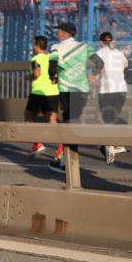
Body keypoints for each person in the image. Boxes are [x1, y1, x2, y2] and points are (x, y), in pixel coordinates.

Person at [48, 22, 104, 173]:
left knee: (69, 126)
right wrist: (92, 75)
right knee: (76, 123)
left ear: (65, 33)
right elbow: (99, 63)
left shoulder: (55, 47)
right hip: (82, 90)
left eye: (58, 31)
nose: (56, 33)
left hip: (66, 90)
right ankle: (103, 144)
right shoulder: (85, 47)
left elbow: (52, 67)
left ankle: (66, 163)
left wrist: (52, 77)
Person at [95, 31, 129, 164]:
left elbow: (97, 69)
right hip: (121, 90)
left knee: (107, 119)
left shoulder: (98, 54)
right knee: (113, 117)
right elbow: (126, 65)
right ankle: (118, 144)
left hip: (107, 91)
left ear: (101, 42)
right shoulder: (119, 53)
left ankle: (109, 148)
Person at [24, 36, 60, 157]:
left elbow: (36, 73)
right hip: (53, 92)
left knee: (28, 117)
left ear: (36, 46)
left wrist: (27, 76)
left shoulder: (35, 58)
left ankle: (37, 144)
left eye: (33, 45)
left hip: (38, 93)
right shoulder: (51, 57)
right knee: (52, 121)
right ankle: (61, 147)